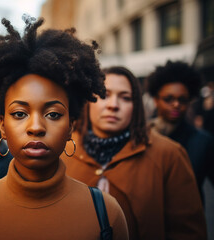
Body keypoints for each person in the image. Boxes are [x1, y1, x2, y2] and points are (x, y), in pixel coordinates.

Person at [0, 16, 129, 240]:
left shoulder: (107, 213)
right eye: (20, 114)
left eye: (53, 114)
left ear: (70, 126)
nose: (36, 127)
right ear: (2, 125)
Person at [62, 66, 207, 240]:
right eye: (104, 95)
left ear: (136, 105)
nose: (113, 105)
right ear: (89, 101)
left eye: (125, 98)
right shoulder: (63, 149)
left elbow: (187, 231)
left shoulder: (169, 154)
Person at [147, 61, 214, 199]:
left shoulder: (203, 141)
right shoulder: (141, 136)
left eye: (183, 100)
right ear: (155, 100)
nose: (176, 104)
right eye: (168, 99)